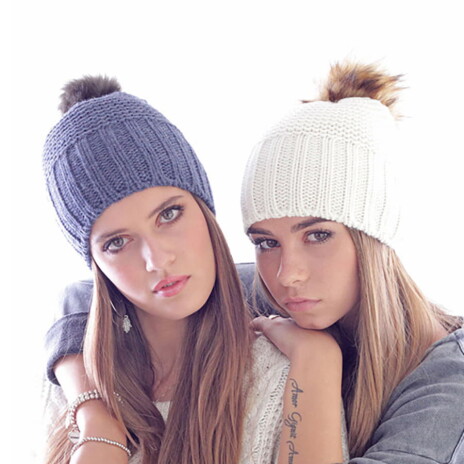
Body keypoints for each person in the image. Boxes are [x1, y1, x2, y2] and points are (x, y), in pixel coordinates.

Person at [40, 76, 349, 464]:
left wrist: (318, 361)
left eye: (169, 215)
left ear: (205, 211)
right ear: (96, 263)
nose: (157, 260)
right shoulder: (71, 389)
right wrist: (99, 430)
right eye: (117, 243)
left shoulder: (288, 373)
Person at [242, 62, 464, 463]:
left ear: (373, 239)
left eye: (318, 235)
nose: (288, 275)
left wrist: (314, 361)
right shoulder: (258, 298)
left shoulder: (450, 386)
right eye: (266, 243)